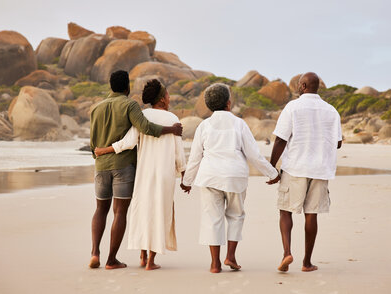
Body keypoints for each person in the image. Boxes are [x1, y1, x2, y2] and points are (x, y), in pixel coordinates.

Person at [181, 83, 279, 273]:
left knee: (212, 218)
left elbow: (195, 158)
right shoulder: (239, 123)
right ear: (229, 103)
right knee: (236, 215)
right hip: (235, 176)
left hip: (209, 176)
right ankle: (231, 257)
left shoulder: (204, 125)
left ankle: (215, 263)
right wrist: (273, 174)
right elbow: (254, 155)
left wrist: (187, 182)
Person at [89, 71, 182, 270]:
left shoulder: (96, 108)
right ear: (127, 87)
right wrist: (172, 131)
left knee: (101, 209)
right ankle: (114, 259)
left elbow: (96, 140)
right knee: (123, 212)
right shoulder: (131, 106)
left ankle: (95, 252)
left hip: (104, 166)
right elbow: (146, 129)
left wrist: (99, 154)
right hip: (126, 167)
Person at [269, 72, 342, 272]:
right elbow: (338, 143)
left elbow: (281, 139)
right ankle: (307, 262)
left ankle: (287, 253)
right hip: (320, 169)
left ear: (302, 86)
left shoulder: (293, 107)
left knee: (285, 210)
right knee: (311, 215)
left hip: (295, 168)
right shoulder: (331, 110)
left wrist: (271, 168)